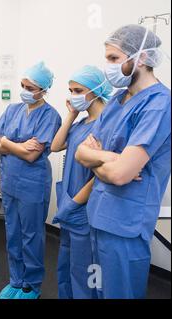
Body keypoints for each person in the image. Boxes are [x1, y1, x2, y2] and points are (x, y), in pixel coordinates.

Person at [75, 25, 171, 299]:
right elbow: (81, 153)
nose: (108, 67)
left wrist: (99, 160)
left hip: (124, 225)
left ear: (141, 58)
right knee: (98, 290)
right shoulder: (118, 99)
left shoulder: (159, 104)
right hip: (99, 216)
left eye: (114, 59)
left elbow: (119, 175)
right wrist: (110, 157)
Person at [0, 62, 62, 299]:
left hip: (32, 185)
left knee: (31, 235)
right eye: (22, 85)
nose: (24, 90)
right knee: (12, 231)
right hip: (10, 181)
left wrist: (7, 143)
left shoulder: (50, 116)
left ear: (43, 90)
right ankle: (16, 279)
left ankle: (31, 284)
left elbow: (32, 155)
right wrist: (18, 146)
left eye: (30, 87)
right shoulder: (13, 109)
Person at [51, 66, 112, 299]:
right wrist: (71, 115)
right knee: (66, 264)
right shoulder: (82, 122)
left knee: (84, 268)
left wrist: (74, 203)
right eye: (70, 90)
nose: (73, 95)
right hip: (70, 205)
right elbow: (55, 146)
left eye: (78, 90)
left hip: (85, 207)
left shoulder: (106, 123)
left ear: (96, 91)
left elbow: (100, 173)